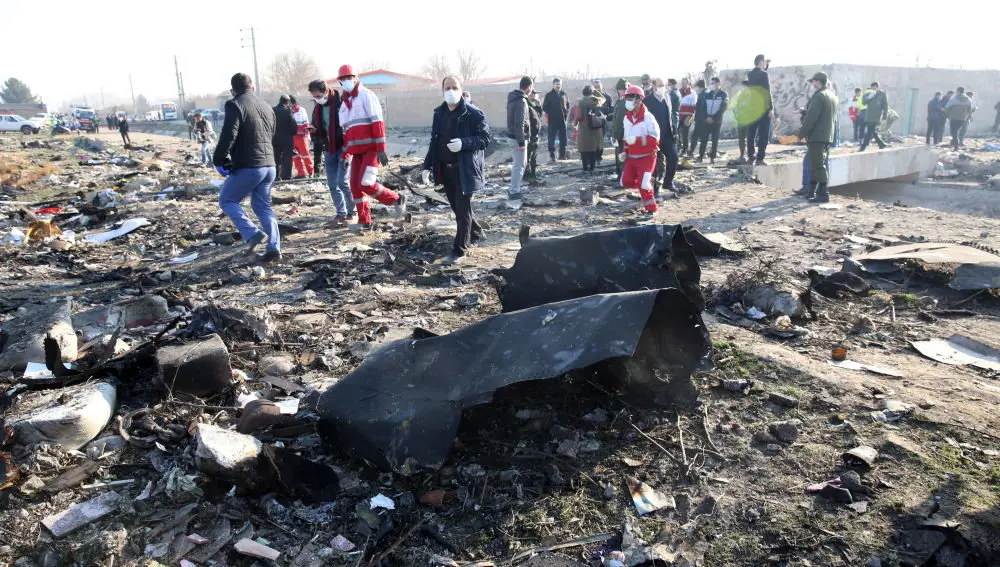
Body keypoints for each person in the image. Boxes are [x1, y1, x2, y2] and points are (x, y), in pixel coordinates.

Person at [421, 75, 490, 264]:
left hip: (465, 170)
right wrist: (427, 166)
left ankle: (459, 250)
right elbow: (434, 141)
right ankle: (476, 231)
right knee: (458, 208)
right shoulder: (439, 113)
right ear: (442, 91)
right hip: (446, 170)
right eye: (447, 88)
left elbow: (485, 139)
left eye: (454, 87)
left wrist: (464, 143)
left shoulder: (473, 114)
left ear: (461, 89)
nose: (451, 91)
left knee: (462, 210)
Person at [212, 72, 280, 263]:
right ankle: (274, 248)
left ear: (232, 91)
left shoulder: (235, 104)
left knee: (227, 200)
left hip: (250, 165)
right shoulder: (266, 106)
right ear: (252, 87)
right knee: (263, 207)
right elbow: (271, 134)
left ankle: (252, 234)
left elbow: (229, 134)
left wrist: (219, 158)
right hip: (269, 165)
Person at [337, 64, 407, 227]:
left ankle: (397, 199)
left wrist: (381, 149)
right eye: (343, 79)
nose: (346, 81)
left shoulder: (366, 96)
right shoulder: (344, 105)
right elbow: (346, 133)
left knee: (366, 183)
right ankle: (364, 221)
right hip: (357, 153)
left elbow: (377, 123)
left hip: (371, 150)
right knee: (355, 187)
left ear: (356, 78)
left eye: (349, 77)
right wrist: (346, 154)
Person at [310, 79, 354, 224]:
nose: (317, 99)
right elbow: (319, 127)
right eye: (314, 97)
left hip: (343, 147)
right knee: (333, 184)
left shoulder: (341, 104)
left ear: (326, 91)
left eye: (318, 96)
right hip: (328, 148)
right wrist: (314, 131)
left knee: (343, 182)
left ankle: (352, 210)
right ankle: (341, 212)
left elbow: (348, 127)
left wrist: (348, 149)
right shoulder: (318, 108)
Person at [795, 72, 838, 203]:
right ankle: (812, 191)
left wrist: (801, 134)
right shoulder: (832, 96)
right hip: (826, 136)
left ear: (818, 81)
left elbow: (811, 118)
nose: (812, 84)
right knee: (815, 164)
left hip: (817, 136)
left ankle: (823, 194)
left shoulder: (819, 96)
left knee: (818, 166)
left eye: (813, 81)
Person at [620, 85, 660, 215]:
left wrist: (637, 140)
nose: (627, 101)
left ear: (639, 100)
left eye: (630, 98)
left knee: (644, 185)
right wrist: (625, 151)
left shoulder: (648, 118)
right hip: (632, 157)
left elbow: (654, 139)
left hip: (647, 157)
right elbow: (627, 138)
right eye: (627, 98)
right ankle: (646, 181)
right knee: (625, 181)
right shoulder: (626, 118)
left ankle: (651, 209)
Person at [643, 77, 680, 198]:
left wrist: (675, 130)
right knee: (656, 164)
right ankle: (655, 188)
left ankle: (668, 182)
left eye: (663, 85)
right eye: (660, 85)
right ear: (654, 86)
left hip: (668, 135)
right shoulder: (647, 101)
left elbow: (671, 115)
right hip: (654, 137)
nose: (662, 88)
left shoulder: (667, 97)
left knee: (674, 157)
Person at [506, 76, 532, 202]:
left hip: (513, 136)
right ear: (529, 87)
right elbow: (519, 123)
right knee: (519, 165)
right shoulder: (521, 101)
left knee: (519, 164)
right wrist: (522, 142)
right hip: (518, 138)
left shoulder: (513, 98)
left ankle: (514, 189)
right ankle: (514, 191)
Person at [746, 54, 773, 166]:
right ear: (761, 61)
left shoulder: (750, 74)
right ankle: (760, 158)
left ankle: (751, 157)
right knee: (763, 134)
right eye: (764, 62)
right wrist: (771, 108)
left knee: (751, 134)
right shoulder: (764, 74)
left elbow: (758, 75)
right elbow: (767, 91)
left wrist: (765, 67)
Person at [574, 85, 605, 173]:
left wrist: (575, 123)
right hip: (596, 128)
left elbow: (579, 116)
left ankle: (585, 167)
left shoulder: (581, 102)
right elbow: (603, 98)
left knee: (584, 149)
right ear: (592, 92)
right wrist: (595, 91)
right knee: (593, 149)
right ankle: (592, 167)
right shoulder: (598, 100)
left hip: (585, 128)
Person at [699, 77, 728, 163]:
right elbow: (703, 107)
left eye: (713, 83)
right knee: (704, 139)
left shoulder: (723, 95)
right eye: (710, 83)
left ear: (718, 84)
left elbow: (723, 108)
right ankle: (700, 156)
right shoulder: (707, 94)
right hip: (706, 121)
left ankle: (712, 158)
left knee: (715, 140)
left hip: (716, 121)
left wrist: (713, 118)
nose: (711, 85)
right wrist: (706, 117)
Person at [542, 77, 570, 162]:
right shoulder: (549, 95)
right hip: (553, 120)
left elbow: (567, 105)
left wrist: (566, 112)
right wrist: (552, 113)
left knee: (563, 139)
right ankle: (552, 155)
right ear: (553, 85)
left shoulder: (564, 94)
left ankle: (562, 155)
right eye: (557, 84)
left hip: (562, 120)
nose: (558, 86)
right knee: (552, 138)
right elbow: (545, 107)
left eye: (560, 84)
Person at [272, 95, 297, 181]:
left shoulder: (273, 110)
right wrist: (292, 133)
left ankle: (276, 176)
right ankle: (286, 176)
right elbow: (294, 126)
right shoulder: (288, 111)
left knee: (276, 158)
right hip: (287, 139)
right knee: (287, 158)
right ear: (287, 102)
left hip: (275, 138)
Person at [289, 95, 314, 178]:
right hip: (292, 137)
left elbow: (306, 123)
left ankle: (311, 172)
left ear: (293, 103)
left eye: (289, 102)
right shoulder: (288, 111)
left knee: (305, 155)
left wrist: (307, 136)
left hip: (301, 137)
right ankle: (301, 173)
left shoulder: (301, 110)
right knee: (295, 156)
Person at [859, 81, 888, 151]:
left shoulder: (882, 94)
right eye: (872, 88)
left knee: (870, 131)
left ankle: (863, 147)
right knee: (871, 131)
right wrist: (870, 96)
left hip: (877, 116)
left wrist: (884, 116)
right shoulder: (868, 93)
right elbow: (863, 102)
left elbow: (885, 105)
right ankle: (881, 144)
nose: (874, 89)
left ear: (878, 87)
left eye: (875, 88)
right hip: (869, 116)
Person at [611, 78, 630, 173]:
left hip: (621, 135)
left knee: (621, 157)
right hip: (627, 134)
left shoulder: (623, 102)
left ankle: (622, 176)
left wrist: (615, 135)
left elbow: (619, 120)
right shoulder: (628, 100)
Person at [730, 80, 752, 164]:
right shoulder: (740, 96)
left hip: (749, 120)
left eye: (744, 87)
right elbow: (735, 107)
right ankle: (742, 155)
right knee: (741, 138)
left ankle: (750, 156)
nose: (742, 88)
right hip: (741, 120)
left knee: (750, 138)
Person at [525, 90, 543, 184]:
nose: (536, 96)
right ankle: (527, 175)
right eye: (534, 94)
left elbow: (539, 117)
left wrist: (539, 105)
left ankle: (533, 174)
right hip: (530, 135)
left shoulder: (533, 106)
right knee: (528, 156)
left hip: (535, 135)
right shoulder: (526, 105)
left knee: (533, 157)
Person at [690, 80, 708, 160]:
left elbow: (699, 108)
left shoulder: (702, 95)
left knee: (698, 137)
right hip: (702, 119)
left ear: (700, 87)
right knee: (698, 137)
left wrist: (696, 118)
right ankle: (696, 152)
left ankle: (700, 154)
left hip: (701, 120)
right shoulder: (706, 93)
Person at [677, 84, 697, 156]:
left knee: (685, 134)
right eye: (682, 83)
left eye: (685, 83)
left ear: (689, 84)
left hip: (687, 117)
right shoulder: (678, 92)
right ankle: (678, 147)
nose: (683, 84)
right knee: (676, 133)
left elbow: (694, 106)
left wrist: (690, 116)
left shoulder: (693, 93)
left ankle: (685, 150)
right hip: (678, 116)